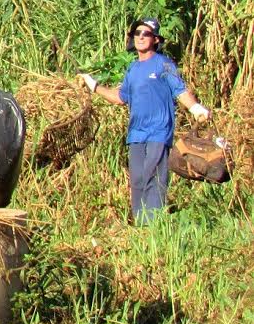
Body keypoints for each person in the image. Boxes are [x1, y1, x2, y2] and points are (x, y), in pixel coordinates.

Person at [82, 18, 211, 225]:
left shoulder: (163, 64)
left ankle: (154, 226)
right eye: (138, 33)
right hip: (136, 134)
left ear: (156, 39)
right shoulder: (133, 69)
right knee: (138, 179)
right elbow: (120, 97)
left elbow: (180, 90)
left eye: (147, 33)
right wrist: (94, 85)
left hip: (158, 131)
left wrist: (196, 108)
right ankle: (142, 225)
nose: (141, 36)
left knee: (154, 176)